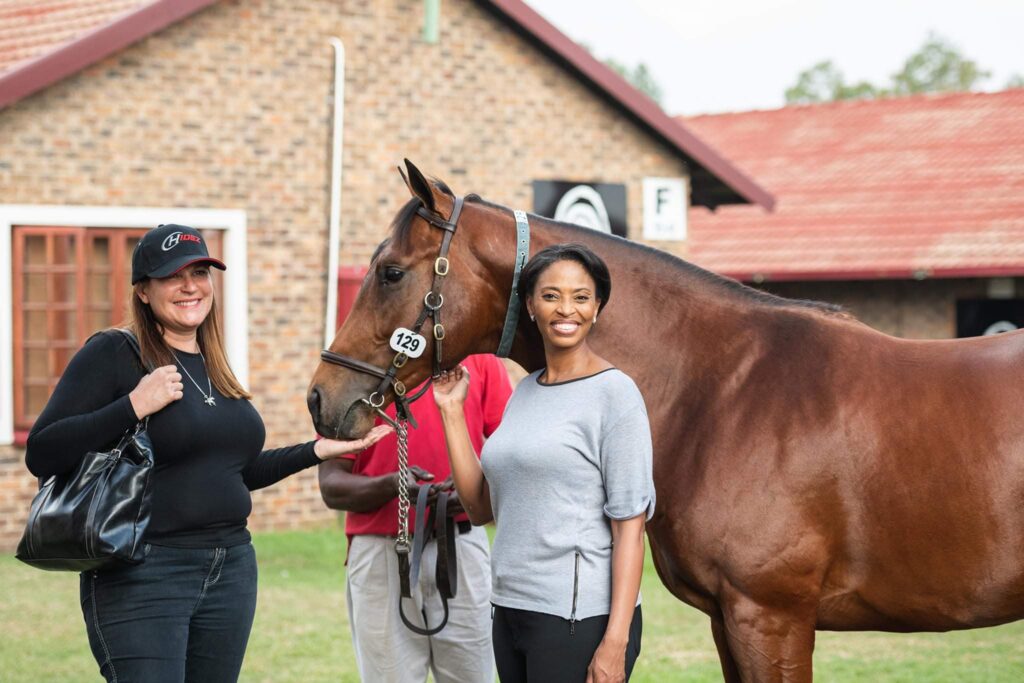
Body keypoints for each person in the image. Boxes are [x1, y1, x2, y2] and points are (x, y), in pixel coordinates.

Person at [25, 223, 390, 683]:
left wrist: (317, 450)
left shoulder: (213, 363)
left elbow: (233, 471)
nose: (189, 286)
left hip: (231, 570)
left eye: (200, 272)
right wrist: (133, 405)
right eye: (172, 275)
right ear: (143, 290)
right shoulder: (115, 353)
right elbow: (42, 451)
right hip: (145, 573)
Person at [433, 243, 655, 683]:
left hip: (577, 618)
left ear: (597, 307)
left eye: (581, 296)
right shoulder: (527, 390)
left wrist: (615, 641)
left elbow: (631, 530)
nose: (565, 309)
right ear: (530, 306)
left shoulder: (616, 395)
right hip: (511, 608)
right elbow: (480, 509)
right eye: (551, 295)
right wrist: (452, 412)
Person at [318, 353, 512, 683]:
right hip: (381, 555)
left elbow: (515, 462)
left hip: (461, 547)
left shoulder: (481, 361)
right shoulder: (361, 361)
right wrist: (393, 484)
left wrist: (472, 493)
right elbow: (332, 485)